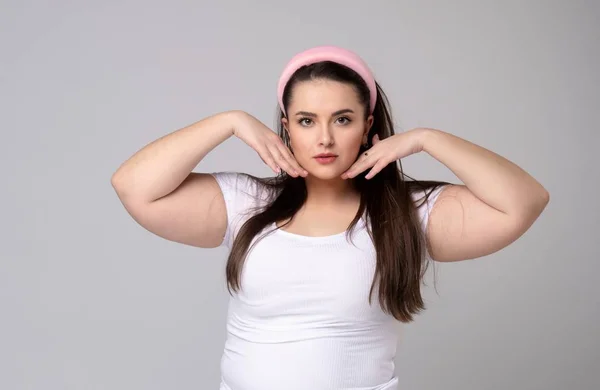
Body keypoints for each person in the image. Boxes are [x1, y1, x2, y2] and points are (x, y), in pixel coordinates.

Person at [111, 46, 549, 390]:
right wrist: (229, 121)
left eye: (342, 119)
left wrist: (427, 139)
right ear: (285, 127)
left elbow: (523, 202)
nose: (324, 138)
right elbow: (134, 187)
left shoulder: (405, 214)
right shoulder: (248, 203)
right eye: (306, 120)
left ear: (367, 124)